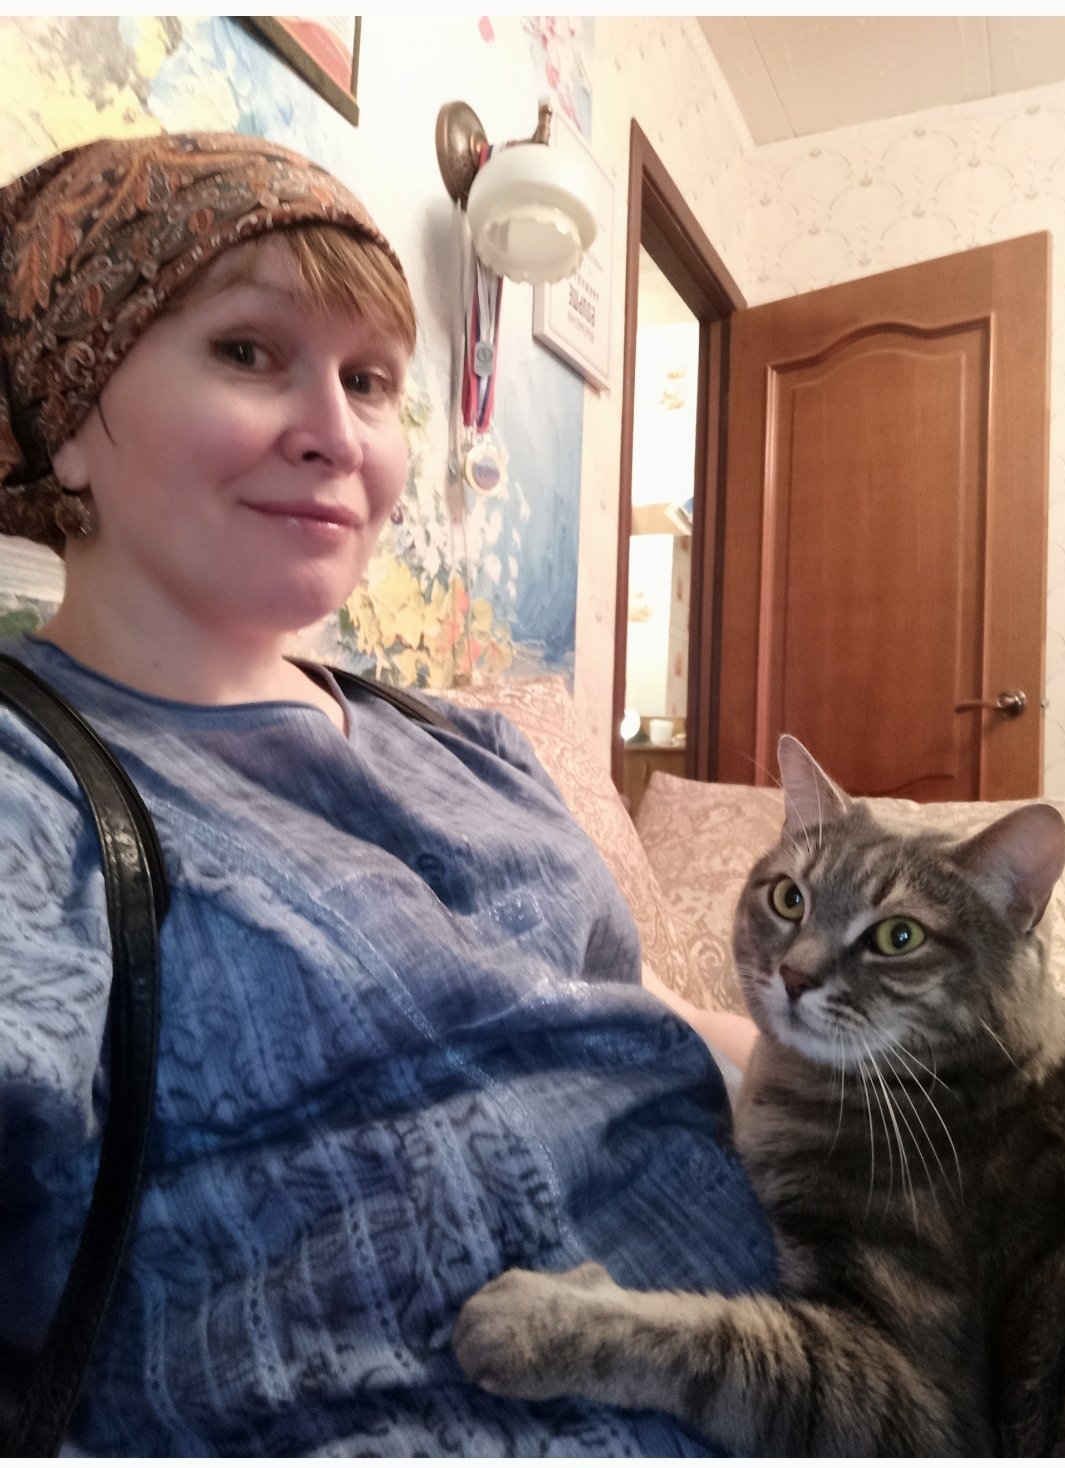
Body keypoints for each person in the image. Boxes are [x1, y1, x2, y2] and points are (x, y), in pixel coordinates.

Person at [0, 131, 773, 1456]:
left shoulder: (475, 745)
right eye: (249, 351)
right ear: (67, 423)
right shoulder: (34, 785)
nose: (335, 433)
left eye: (370, 382)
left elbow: (641, 1015)